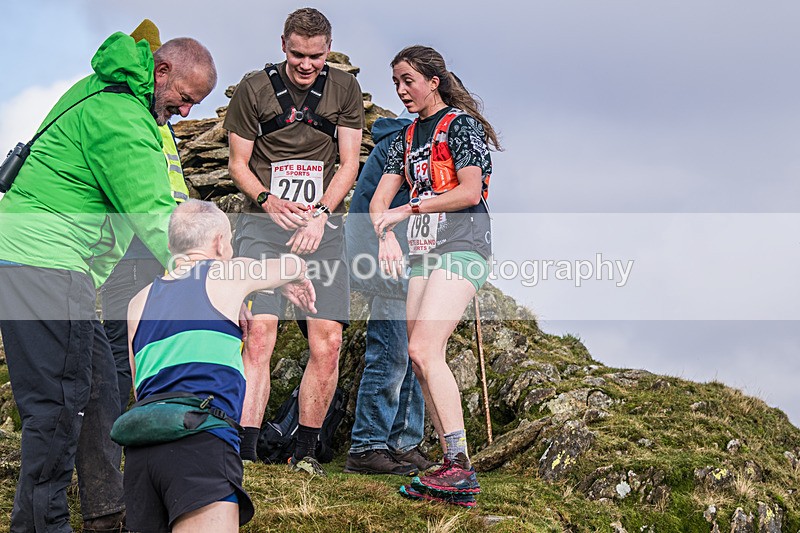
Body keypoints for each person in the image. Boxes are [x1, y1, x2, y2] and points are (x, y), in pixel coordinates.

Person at [0, 31, 216, 531]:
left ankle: (105, 510)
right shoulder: (120, 115)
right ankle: (41, 524)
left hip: (40, 261)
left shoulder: (104, 89)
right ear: (162, 72)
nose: (186, 111)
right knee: (57, 407)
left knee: (98, 391)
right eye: (185, 97)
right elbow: (156, 216)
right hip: (45, 263)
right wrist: (211, 285)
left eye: (196, 104)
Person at [223, 7, 364, 474]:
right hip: (263, 228)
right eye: (298, 54)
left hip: (321, 230)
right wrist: (267, 201)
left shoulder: (344, 88)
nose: (306, 64)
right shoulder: (253, 89)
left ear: (328, 50)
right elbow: (238, 163)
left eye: (316, 56)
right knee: (259, 334)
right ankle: (244, 451)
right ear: (283, 45)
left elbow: (349, 163)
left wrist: (321, 214)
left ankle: (304, 453)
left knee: (328, 341)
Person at [124, 199, 315, 532]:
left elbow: (140, 384)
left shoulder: (138, 302)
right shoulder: (228, 273)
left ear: (172, 245)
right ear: (219, 243)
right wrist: (289, 277)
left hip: (142, 450)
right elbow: (291, 264)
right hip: (200, 440)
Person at [370, 45, 500, 506]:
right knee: (419, 355)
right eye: (396, 83)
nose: (402, 90)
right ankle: (451, 469)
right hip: (424, 253)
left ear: (433, 81)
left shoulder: (460, 126)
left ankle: (460, 465)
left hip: (464, 244)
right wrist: (385, 235)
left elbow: (469, 192)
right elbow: (378, 204)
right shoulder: (405, 138)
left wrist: (410, 208)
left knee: (424, 348)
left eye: (408, 81)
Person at [102, 18, 193, 416]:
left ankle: (133, 429)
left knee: (138, 346)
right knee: (124, 348)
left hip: (154, 247)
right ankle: (111, 433)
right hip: (138, 249)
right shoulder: (135, 114)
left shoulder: (152, 116)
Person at [343, 113, 436, 476]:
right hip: (389, 261)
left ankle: (403, 443)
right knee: (391, 354)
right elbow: (374, 208)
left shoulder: (430, 145)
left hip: (415, 262)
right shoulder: (399, 146)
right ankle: (367, 446)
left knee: (415, 354)